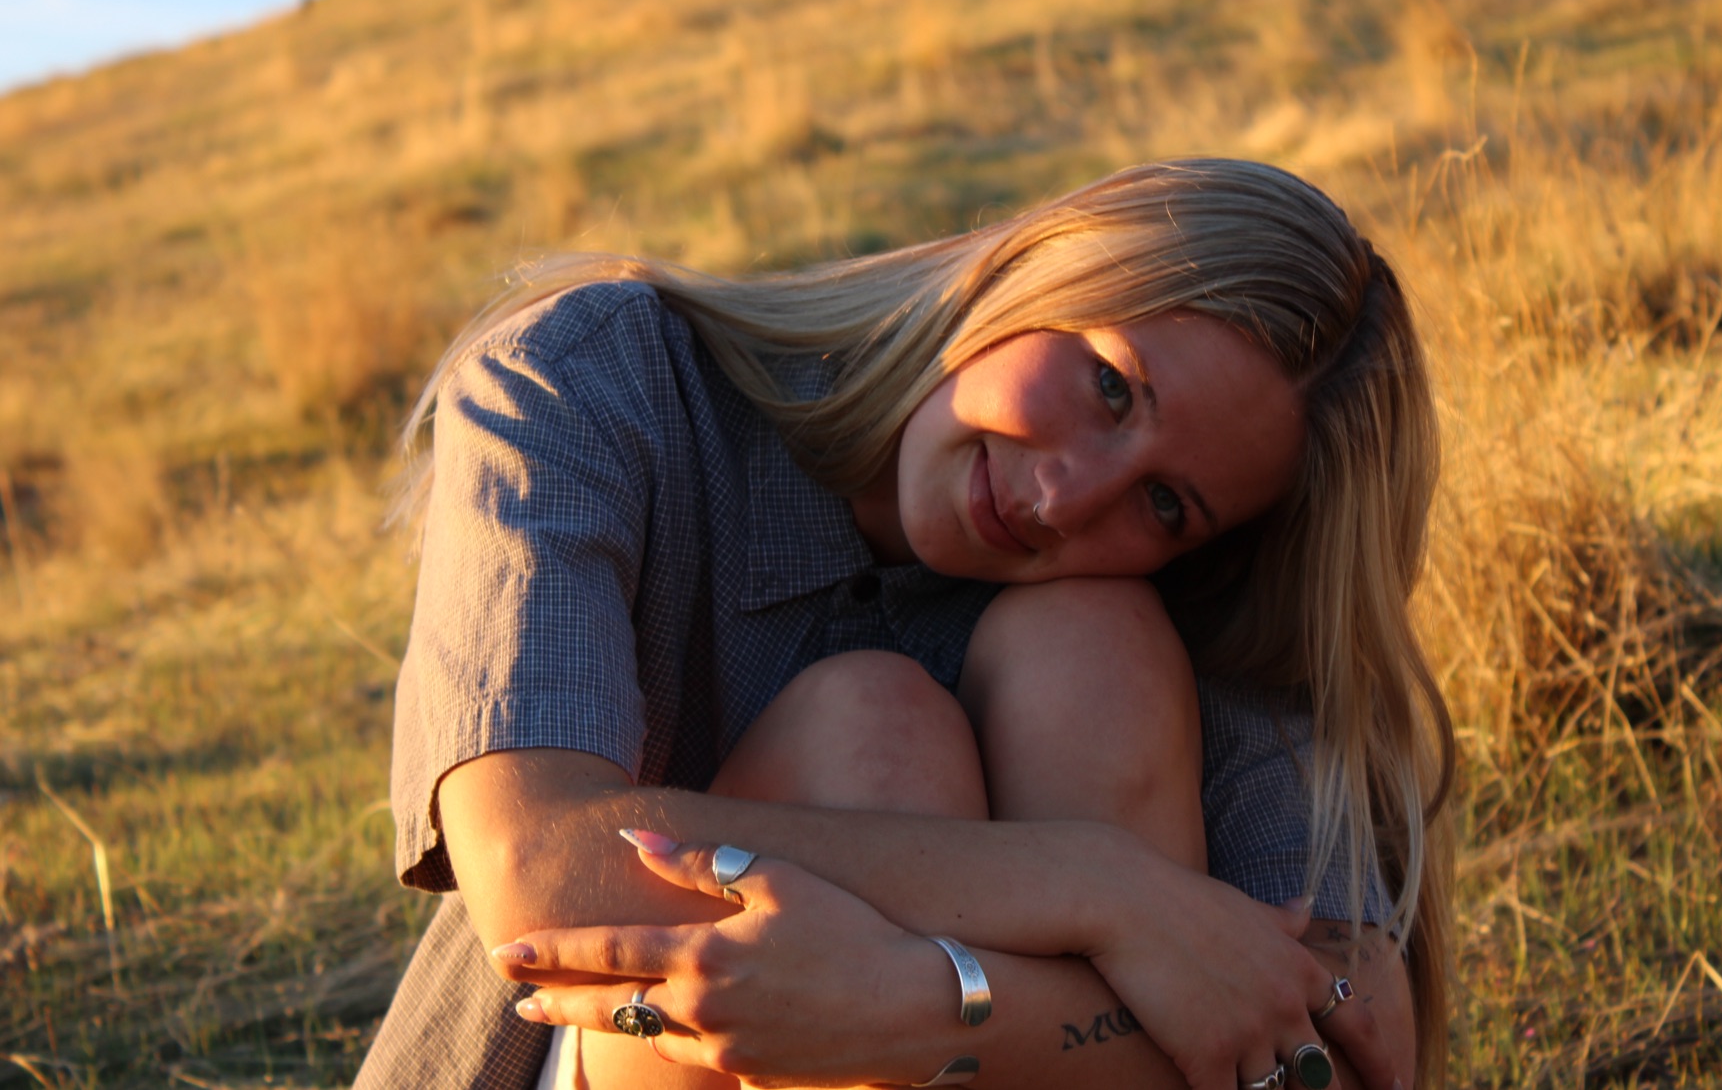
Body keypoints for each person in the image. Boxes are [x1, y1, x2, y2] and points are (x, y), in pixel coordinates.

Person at [354, 158, 1456, 1090]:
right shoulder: (596, 374)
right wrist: (1098, 890)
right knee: (871, 732)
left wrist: (924, 1010)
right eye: (1110, 387)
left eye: (1165, 505)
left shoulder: (1149, 602)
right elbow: (536, 864)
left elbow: (1355, 1030)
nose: (1065, 497)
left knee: (1091, 643)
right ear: (1042, 263)